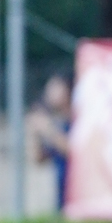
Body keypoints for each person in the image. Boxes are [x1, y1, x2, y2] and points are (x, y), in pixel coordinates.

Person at [29, 75, 73, 211]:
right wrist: (36, 134)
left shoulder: (77, 122)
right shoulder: (57, 125)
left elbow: (72, 151)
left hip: (78, 192)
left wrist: (47, 128)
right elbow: (39, 159)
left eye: (56, 88)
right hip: (61, 194)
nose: (50, 93)